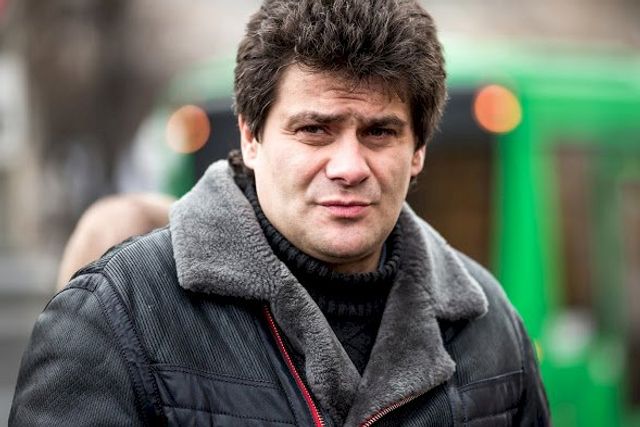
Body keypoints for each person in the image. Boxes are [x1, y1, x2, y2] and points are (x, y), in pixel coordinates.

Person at [10, 0, 550, 425]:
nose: (349, 167)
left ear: (418, 151)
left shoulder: (491, 330)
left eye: (379, 132)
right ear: (251, 138)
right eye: (314, 130)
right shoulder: (115, 315)